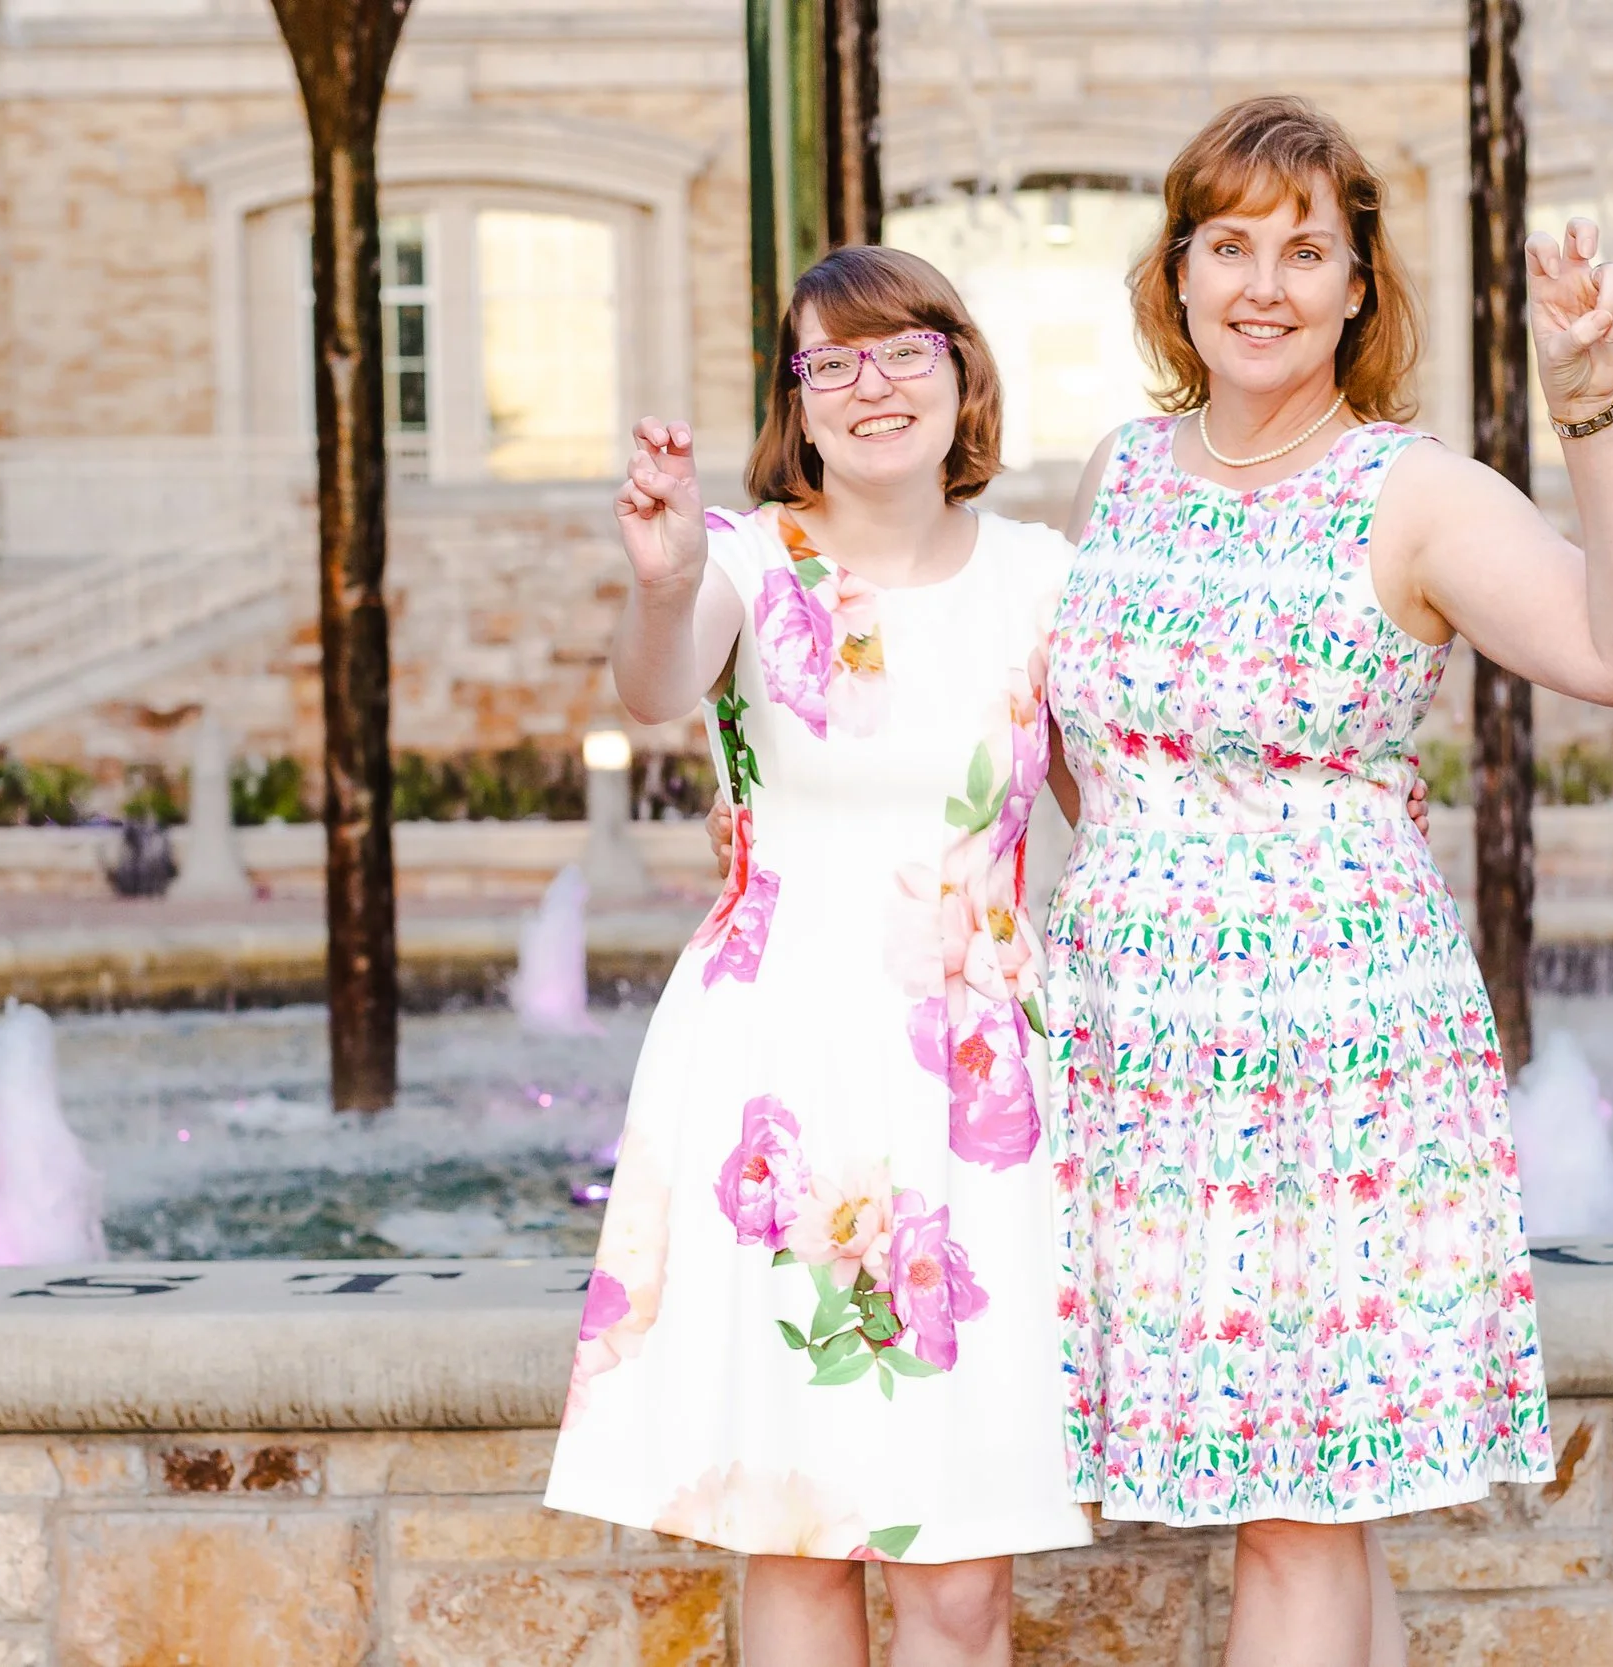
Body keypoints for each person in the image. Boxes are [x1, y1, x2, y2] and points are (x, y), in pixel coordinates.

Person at [1043, 95, 1613, 1667]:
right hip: (1138, 1053)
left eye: (1305, 250)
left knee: (1295, 1507)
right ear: (1178, 274)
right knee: (1304, 1509)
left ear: (1358, 287)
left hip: (1334, 1061)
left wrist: (1592, 411)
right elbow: (1078, 762)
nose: (1263, 283)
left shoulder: (1412, 493)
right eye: (1229, 245)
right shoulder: (1116, 474)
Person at [542, 244, 1092, 1667]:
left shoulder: (1049, 579)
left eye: (907, 348)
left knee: (962, 1584)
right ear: (799, 401)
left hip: (979, 1099)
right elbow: (661, 680)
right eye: (833, 359)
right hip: (780, 1076)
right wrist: (661, 580)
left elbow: (1131, 803)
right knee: (800, 1545)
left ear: (963, 371)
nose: (873, 383)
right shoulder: (741, 560)